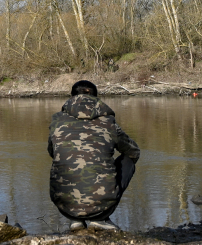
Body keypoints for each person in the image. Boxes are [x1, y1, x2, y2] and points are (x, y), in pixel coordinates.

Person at [47, 80, 140, 231]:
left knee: (61, 160)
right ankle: (100, 219)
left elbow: (52, 152)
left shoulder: (57, 121)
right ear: (97, 98)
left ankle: (75, 220)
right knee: (128, 160)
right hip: (102, 205)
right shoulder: (108, 122)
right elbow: (133, 151)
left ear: (71, 97)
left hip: (65, 206)